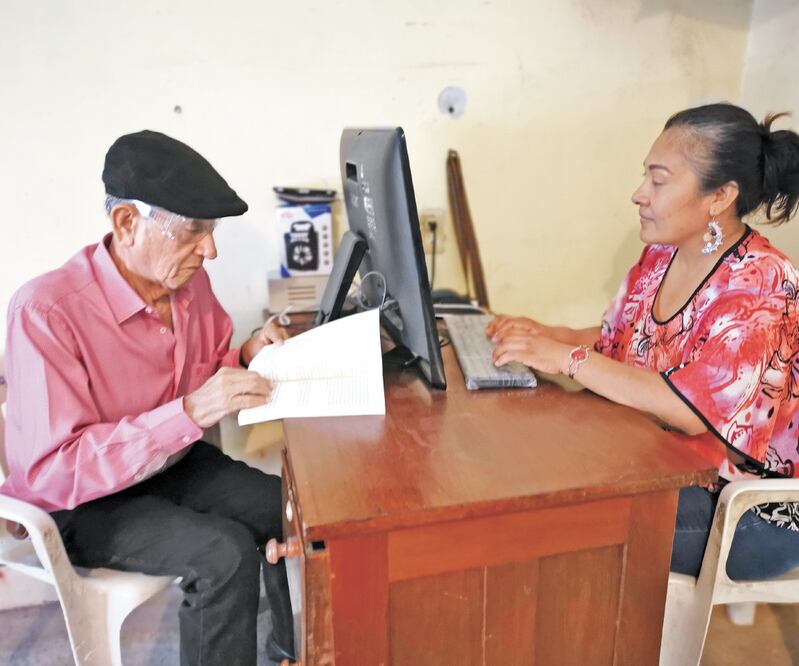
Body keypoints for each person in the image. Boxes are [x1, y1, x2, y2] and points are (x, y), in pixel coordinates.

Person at [1, 130, 296, 665]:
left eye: (211, 231)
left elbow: (203, 379)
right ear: (127, 223)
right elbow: (52, 469)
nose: (210, 249)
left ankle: (285, 652)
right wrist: (188, 413)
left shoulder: (187, 284)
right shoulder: (45, 311)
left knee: (288, 509)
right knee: (223, 554)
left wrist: (246, 357)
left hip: (170, 465)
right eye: (193, 231)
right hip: (84, 504)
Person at [487, 103, 799, 580]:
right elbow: (623, 342)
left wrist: (567, 357)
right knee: (522, 468)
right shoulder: (662, 252)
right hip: (662, 461)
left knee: (548, 523)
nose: (639, 195)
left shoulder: (763, 282)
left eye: (658, 180)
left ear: (720, 196)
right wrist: (547, 335)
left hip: (745, 509)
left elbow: (691, 410)